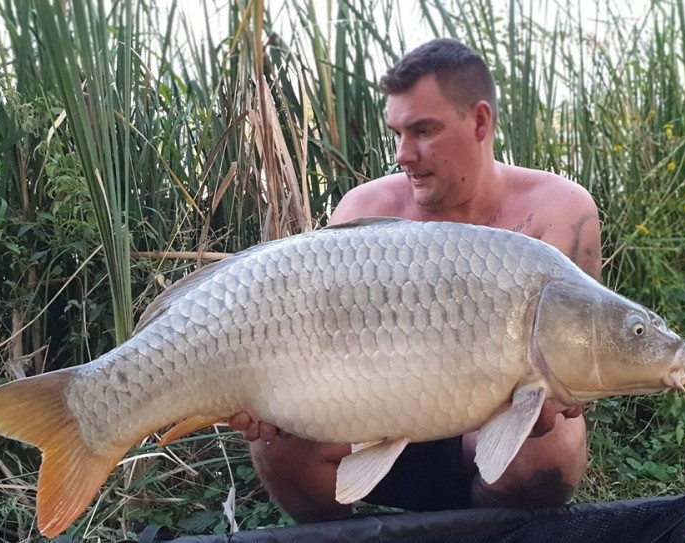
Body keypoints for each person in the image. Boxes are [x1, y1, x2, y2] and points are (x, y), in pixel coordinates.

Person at [229, 37, 602, 522]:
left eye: (423, 131)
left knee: (556, 442)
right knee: (277, 444)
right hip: (374, 418)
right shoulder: (363, 210)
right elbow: (317, 351)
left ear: (480, 121)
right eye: (397, 133)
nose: (403, 155)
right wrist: (267, 397)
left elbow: (575, 364)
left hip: (491, 438)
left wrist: (550, 397)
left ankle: (483, 532)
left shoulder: (558, 208)